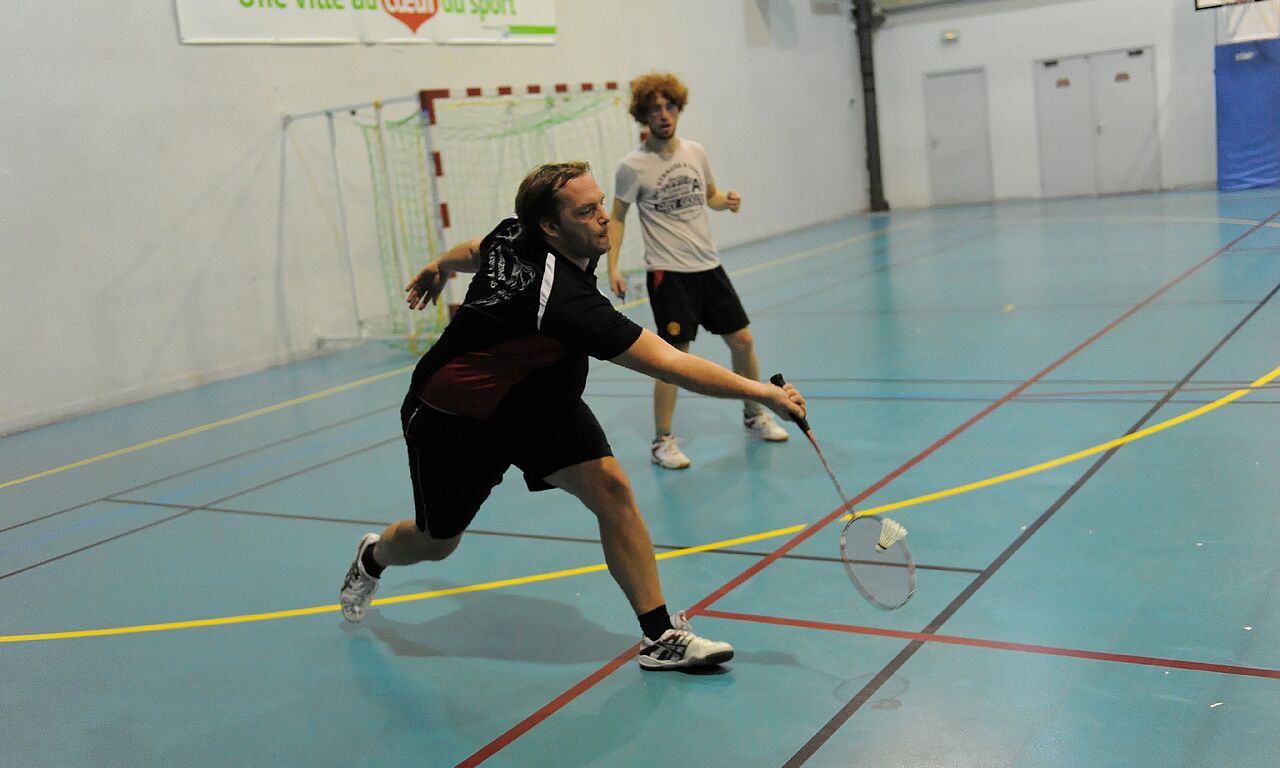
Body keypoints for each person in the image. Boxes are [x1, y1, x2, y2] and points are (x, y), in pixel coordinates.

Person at [339, 161, 806, 671]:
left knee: (612, 489)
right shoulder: (562, 301)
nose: (605, 217)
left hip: (541, 403)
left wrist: (440, 266)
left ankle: (660, 636)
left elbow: (475, 250)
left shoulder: (516, 233)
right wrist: (761, 392)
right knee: (435, 543)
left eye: (601, 203)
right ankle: (372, 556)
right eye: (587, 211)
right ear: (551, 226)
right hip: (456, 421)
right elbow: (669, 362)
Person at [607, 72, 789, 471]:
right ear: (643, 116)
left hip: (709, 266)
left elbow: (710, 196)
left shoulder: (696, 152)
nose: (663, 114)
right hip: (668, 272)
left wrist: (728, 201)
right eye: (654, 109)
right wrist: (613, 265)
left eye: (669, 106)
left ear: (678, 108)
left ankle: (754, 414)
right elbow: (617, 217)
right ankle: (662, 441)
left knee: (742, 340)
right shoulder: (632, 167)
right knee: (673, 357)